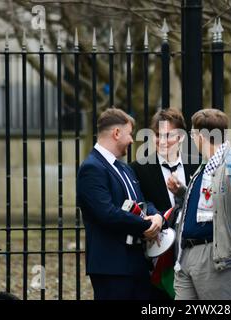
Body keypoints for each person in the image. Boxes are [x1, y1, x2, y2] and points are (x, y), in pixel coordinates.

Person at [76, 107, 164, 300]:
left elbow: (142, 202)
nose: (132, 140)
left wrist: (156, 216)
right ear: (116, 133)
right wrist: (146, 226)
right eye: (130, 134)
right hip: (111, 266)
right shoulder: (92, 168)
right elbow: (106, 213)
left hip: (135, 262)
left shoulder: (124, 168)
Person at [167, 108, 231, 300]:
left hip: (216, 257)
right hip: (186, 255)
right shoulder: (205, 166)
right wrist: (182, 191)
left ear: (200, 136)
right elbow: (208, 204)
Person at [130, 108, 200, 299]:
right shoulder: (138, 168)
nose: (162, 141)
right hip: (157, 254)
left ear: (181, 137)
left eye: (168, 136)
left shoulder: (198, 165)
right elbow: (140, 205)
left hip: (191, 253)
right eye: (158, 135)